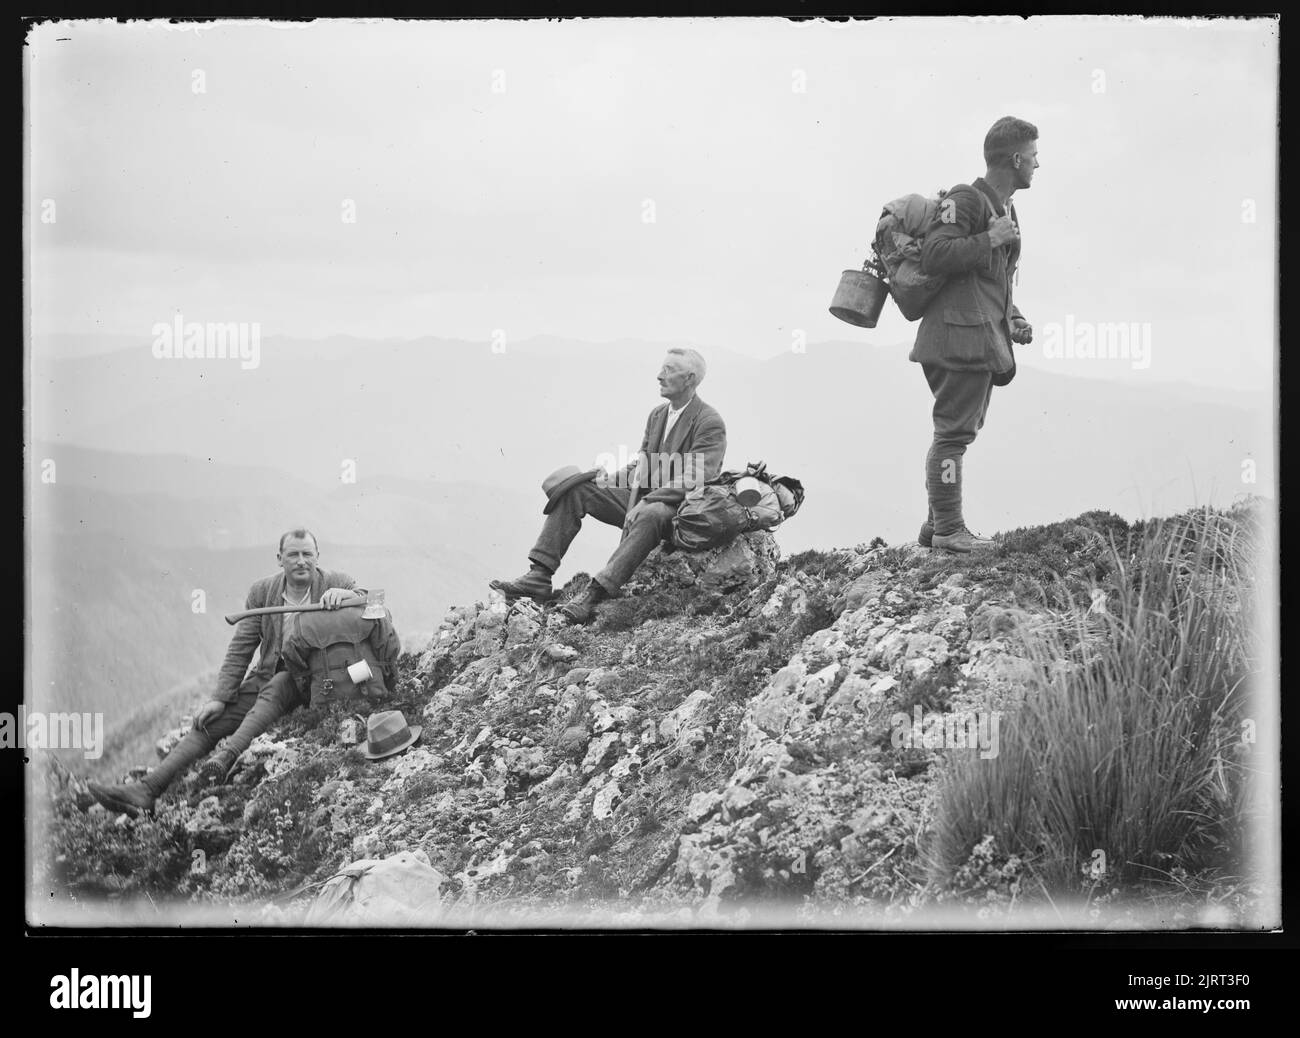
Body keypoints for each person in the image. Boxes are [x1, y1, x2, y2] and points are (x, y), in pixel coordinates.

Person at [88, 529, 363, 815]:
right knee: (209, 722)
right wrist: (221, 697)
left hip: (311, 678)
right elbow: (242, 647)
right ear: (280, 558)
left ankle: (225, 757)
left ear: (317, 556)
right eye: (293, 554)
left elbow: (369, 600)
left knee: (275, 689)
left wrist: (346, 595)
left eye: (308, 554)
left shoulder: (335, 582)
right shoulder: (263, 592)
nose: (301, 561)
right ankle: (146, 789)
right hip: (269, 672)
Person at [492, 348, 726, 624]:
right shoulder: (657, 415)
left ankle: (595, 594)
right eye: (661, 369)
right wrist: (605, 481)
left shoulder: (708, 421)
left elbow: (696, 477)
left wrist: (649, 501)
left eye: (668, 370)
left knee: (651, 514)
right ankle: (539, 576)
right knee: (577, 488)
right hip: (645, 503)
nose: (659, 376)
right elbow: (642, 466)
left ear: (689, 379)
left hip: (678, 513)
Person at [909, 115, 1040, 552]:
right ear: (1016, 158)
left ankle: (936, 526)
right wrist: (989, 237)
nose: (1038, 165)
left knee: (954, 432)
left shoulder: (1005, 208)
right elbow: (934, 254)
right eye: (1034, 156)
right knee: (953, 435)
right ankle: (949, 529)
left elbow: (992, 279)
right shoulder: (966, 199)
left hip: (979, 337)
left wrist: (1013, 317)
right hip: (956, 340)